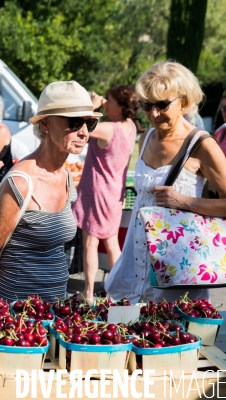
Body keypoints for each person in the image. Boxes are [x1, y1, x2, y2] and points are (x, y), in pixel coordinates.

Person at [104, 61, 226, 303]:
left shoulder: (202, 145)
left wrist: (183, 201)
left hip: (177, 262)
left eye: (162, 104)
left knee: (168, 332)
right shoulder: (145, 138)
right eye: (147, 106)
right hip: (135, 256)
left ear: (184, 100)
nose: (154, 114)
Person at [0, 81, 101, 302]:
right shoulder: (21, 182)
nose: (84, 133)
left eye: (90, 123)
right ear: (46, 124)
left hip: (56, 313)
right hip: (17, 320)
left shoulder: (66, 177)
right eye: (75, 122)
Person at [72, 85, 138, 302]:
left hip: (98, 190)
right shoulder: (131, 127)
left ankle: (89, 292)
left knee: (91, 242)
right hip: (114, 191)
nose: (106, 103)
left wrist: (91, 105)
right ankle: (118, 292)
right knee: (111, 243)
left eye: (109, 100)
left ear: (121, 106)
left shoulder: (109, 128)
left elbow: (82, 128)